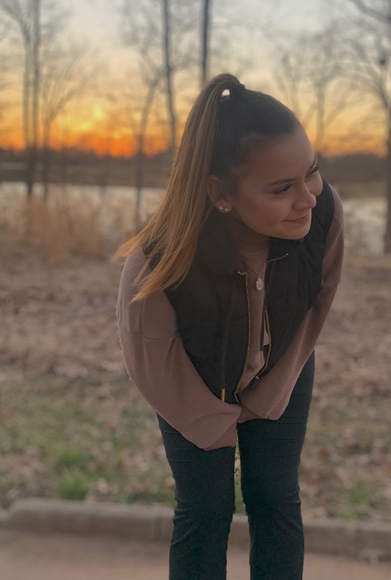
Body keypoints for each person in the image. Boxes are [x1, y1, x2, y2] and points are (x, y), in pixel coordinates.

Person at [115, 73, 344, 580]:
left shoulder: (324, 214)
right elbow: (153, 363)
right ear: (220, 192)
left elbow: (316, 307)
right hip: (190, 384)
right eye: (281, 189)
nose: (307, 198)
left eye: (311, 172)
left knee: (276, 498)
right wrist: (214, 426)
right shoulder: (160, 259)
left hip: (285, 366)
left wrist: (269, 394)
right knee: (205, 510)